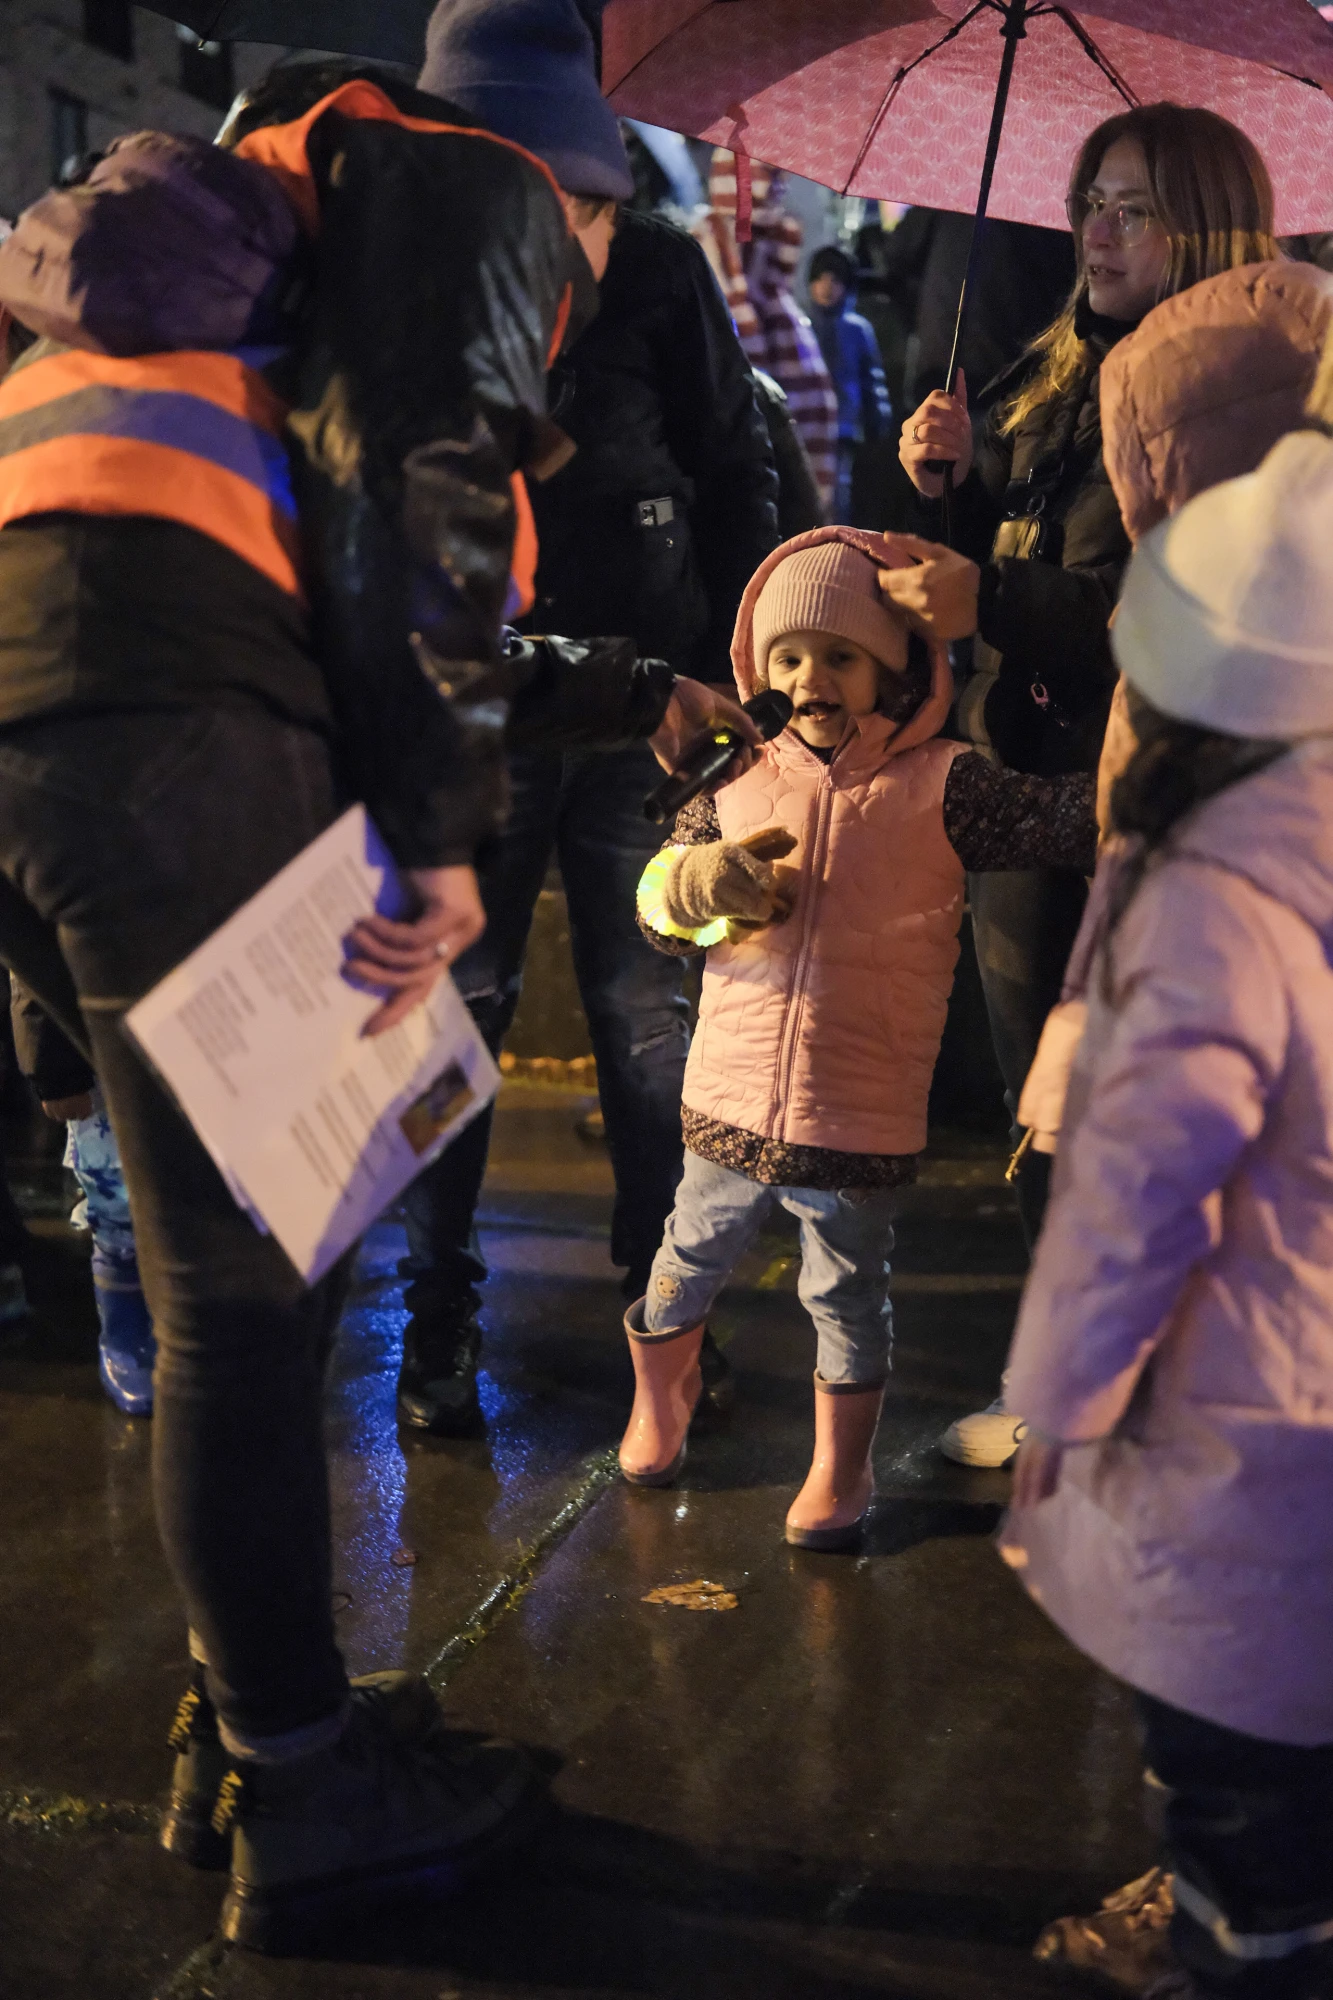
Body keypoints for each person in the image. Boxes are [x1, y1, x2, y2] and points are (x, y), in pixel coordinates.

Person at [0, 14, 758, 1953]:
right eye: (609, 226)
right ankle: (306, 1786)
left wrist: (621, 687)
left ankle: (258, 1716)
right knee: (251, 1299)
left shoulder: (258, 213)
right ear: (574, 183)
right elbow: (416, 504)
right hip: (168, 726)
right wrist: (433, 841)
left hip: (56, 706)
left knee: (242, 1279)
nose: (595, 275)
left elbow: (316, 556)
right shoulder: (478, 187)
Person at [395, 15, 781, 1434]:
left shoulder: (661, 274)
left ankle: (665, 1308)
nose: (576, 233)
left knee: (642, 1013)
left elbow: (732, 462)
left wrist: (738, 666)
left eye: (594, 203)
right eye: (544, 194)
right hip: (477, 716)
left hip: (648, 716)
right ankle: (435, 1320)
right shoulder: (408, 279)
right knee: (458, 1010)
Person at [889, 102, 1279, 1468]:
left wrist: (990, 592)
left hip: (1161, 802)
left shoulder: (1243, 391)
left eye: (1134, 208)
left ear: (1206, 225)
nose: (1097, 233)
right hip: (1024, 781)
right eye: (1088, 204)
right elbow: (1006, 562)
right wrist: (944, 484)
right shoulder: (1053, 367)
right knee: (1041, 1106)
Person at [1000, 426, 1333, 2000]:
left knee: (1243, 1831)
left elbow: (1132, 1200)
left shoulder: (1215, 896)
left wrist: (1056, 1415)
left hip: (1240, 1450)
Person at [620, 527, 1096, 1549]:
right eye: (789, 656)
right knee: (682, 1260)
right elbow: (657, 909)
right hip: (727, 1099)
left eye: (840, 654)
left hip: (859, 1107)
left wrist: (1174, 773)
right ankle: (661, 1396)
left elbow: (1071, 819)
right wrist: (697, 887)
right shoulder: (730, 773)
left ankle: (839, 1468)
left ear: (894, 667)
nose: (811, 678)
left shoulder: (947, 782)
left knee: (844, 1293)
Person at [699, 153, 839, 515]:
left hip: (784, 429)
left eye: (778, 177)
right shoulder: (709, 245)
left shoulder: (770, 255)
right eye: (767, 175)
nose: (777, 186)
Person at [806, 244, 893, 521]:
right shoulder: (801, 325)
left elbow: (872, 378)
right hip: (806, 423)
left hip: (843, 425)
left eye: (835, 280)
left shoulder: (857, 329)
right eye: (820, 279)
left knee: (837, 492)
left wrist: (877, 417)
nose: (826, 287)